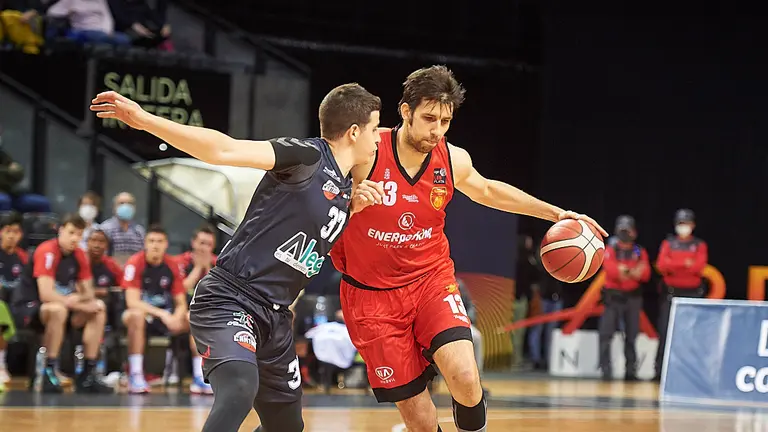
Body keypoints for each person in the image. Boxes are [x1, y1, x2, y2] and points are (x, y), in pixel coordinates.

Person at [90, 82, 382, 432]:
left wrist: (352, 209)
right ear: (354, 132)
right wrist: (145, 120)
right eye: (375, 129)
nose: (378, 139)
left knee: (287, 427)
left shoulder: (345, 191)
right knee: (240, 388)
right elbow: (223, 149)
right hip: (231, 297)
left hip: (275, 317)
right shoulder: (306, 156)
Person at [330, 65, 607, 432]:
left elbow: (488, 190)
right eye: (429, 119)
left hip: (429, 282)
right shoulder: (367, 151)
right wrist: (347, 201)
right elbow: (315, 194)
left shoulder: (451, 158)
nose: (437, 130)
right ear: (406, 111)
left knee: (465, 376)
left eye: (445, 121)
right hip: (372, 296)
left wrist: (556, 213)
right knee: (421, 420)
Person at [10, 214, 112, 393]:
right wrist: (76, 302)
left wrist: (79, 299)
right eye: (71, 233)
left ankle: (88, 373)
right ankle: (48, 370)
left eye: (79, 234)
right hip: (29, 306)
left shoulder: (79, 254)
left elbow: (88, 292)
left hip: (64, 305)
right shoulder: (47, 251)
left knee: (98, 308)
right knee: (58, 310)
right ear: (61, 231)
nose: (75, 238)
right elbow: (46, 294)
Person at [120, 225, 191, 394]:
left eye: (159, 241)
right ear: (145, 243)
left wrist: (177, 317)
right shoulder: (135, 263)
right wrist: (163, 314)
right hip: (140, 316)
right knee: (136, 315)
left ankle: (200, 376)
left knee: (193, 318)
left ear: (166, 244)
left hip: (165, 318)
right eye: (151, 241)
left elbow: (181, 302)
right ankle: (136, 375)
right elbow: (132, 302)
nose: (155, 245)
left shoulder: (172, 265)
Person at [654, 208, 707, 380]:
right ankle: (660, 372)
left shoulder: (699, 245)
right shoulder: (668, 243)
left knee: (691, 336)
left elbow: (698, 267)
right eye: (680, 223)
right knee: (665, 333)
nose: (683, 226)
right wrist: (685, 263)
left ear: (693, 225)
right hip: (671, 295)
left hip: (692, 296)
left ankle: (689, 375)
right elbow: (662, 265)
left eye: (686, 223)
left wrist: (674, 263)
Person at [598, 215, 650, 381]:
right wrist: (632, 271)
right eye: (622, 230)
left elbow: (645, 274)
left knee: (631, 335)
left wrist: (625, 270)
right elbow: (611, 270)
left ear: (634, 232)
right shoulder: (611, 249)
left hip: (632, 298)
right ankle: (605, 371)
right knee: (606, 334)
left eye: (627, 230)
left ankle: (631, 371)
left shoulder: (639, 251)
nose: (625, 234)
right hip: (613, 298)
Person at [0, 211, 26, 386]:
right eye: (7, 231)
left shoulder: (23, 258)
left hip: (17, 306)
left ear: (21, 235)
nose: (11, 236)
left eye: (15, 232)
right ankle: (1, 365)